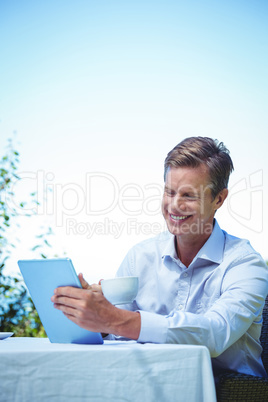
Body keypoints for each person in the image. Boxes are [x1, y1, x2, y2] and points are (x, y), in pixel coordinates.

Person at [52, 136, 268, 377]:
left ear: (219, 199)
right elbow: (116, 333)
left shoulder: (245, 264)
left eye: (188, 196)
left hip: (228, 391)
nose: (174, 206)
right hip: (148, 383)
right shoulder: (140, 256)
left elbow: (214, 334)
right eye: (169, 192)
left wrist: (114, 319)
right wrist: (93, 317)